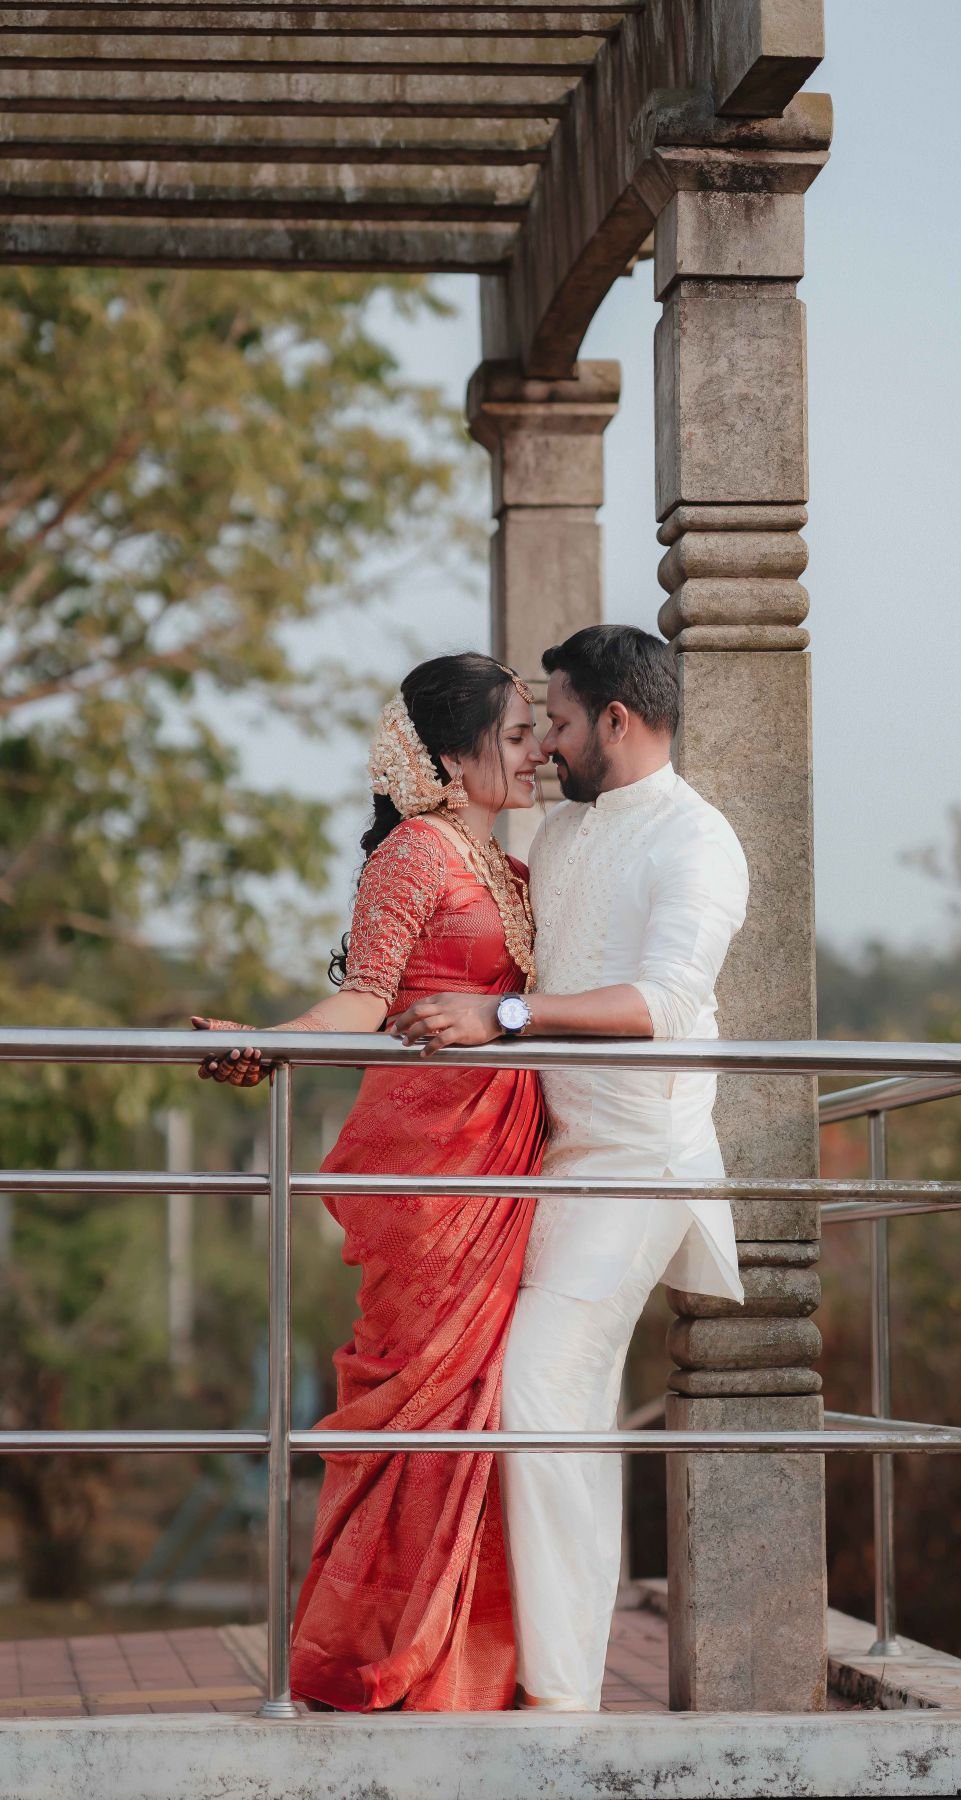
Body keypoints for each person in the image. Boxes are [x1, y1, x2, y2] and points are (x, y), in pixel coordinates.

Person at [390, 623, 749, 1713]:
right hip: (549, 1162)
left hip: (642, 1161)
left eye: (555, 718)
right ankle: (546, 1677)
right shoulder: (559, 838)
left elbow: (663, 1006)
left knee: (543, 1387)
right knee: (554, 1403)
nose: (544, 741)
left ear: (617, 721)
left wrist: (508, 1016)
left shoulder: (698, 842)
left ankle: (561, 1695)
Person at [191, 652, 548, 1712]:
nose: (536, 753)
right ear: (450, 757)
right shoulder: (415, 855)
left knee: (480, 1410)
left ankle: (466, 1660)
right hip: (428, 1169)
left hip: (499, 1160)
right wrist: (270, 1038)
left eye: (538, 731)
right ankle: (385, 1653)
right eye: (517, 735)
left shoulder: (508, 863)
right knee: (420, 1407)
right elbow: (365, 1002)